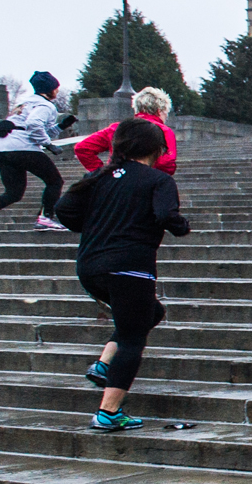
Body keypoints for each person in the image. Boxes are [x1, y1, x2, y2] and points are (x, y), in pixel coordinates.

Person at [55, 117, 190, 432]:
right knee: (133, 335)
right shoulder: (158, 180)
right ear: (156, 149)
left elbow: (64, 210)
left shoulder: (98, 176)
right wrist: (181, 226)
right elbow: (166, 215)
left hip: (90, 266)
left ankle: (104, 363)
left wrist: (93, 226)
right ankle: (108, 412)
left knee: (150, 312)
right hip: (130, 267)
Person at [0, 71, 65, 242]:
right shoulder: (46, 106)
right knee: (55, 181)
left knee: (13, 192)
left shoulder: (24, 103)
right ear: (51, 89)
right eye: (56, 88)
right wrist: (48, 144)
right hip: (24, 148)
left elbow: (30, 126)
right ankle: (46, 217)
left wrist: (61, 127)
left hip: (2, 148)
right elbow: (33, 125)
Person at [74, 87, 179, 176]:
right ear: (159, 111)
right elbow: (168, 163)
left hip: (118, 180)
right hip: (149, 182)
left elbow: (82, 148)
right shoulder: (164, 131)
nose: (166, 117)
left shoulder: (116, 128)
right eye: (166, 113)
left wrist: (103, 173)